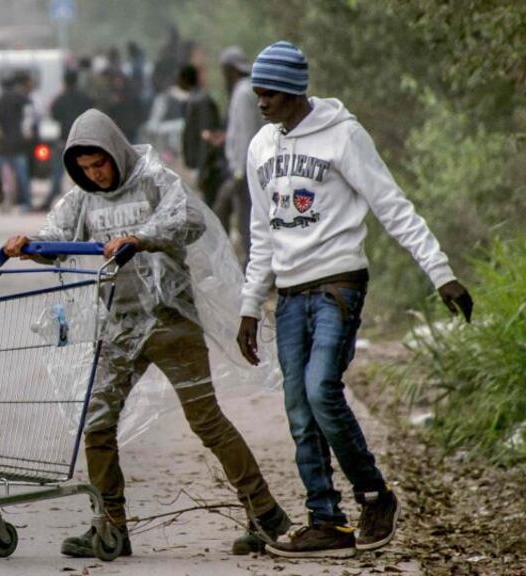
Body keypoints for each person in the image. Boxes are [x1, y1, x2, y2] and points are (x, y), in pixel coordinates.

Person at [5, 108, 292, 558]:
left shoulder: (153, 178)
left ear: (115, 152)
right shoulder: (83, 198)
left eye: (100, 164)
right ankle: (110, 525)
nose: (96, 175)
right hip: (120, 325)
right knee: (97, 423)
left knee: (207, 423)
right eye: (85, 169)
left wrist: (141, 237)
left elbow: (190, 220)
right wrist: (30, 247)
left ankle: (266, 514)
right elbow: (58, 235)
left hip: (171, 322)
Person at [236, 41, 474, 559]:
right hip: (290, 292)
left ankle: (374, 496)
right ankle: (326, 520)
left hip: (338, 283)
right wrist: (250, 305)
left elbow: (393, 206)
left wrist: (441, 273)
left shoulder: (344, 135)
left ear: (296, 91)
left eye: (270, 92)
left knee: (322, 389)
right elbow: (262, 231)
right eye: (257, 92)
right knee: (298, 408)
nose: (262, 102)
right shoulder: (260, 147)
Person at [216, 47, 262, 263]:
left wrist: (238, 173)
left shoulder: (243, 93)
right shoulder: (246, 90)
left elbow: (246, 134)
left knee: (247, 218)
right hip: (246, 168)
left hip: (245, 170)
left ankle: (253, 263)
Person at [42, 69, 94, 211]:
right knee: (83, 171)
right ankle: (86, 199)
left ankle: (50, 198)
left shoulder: (60, 98)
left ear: (64, 81)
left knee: (57, 172)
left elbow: (53, 115)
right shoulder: (85, 97)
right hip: (81, 139)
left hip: (63, 140)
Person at [179, 64, 225, 207]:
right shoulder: (196, 100)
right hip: (205, 164)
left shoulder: (199, 101)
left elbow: (207, 137)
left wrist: (203, 169)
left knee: (211, 206)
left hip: (208, 166)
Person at [0, 72, 34, 212]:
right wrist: (27, 133)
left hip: (1, 144)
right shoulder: (21, 98)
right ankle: (26, 203)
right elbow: (29, 117)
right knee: (22, 176)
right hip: (18, 143)